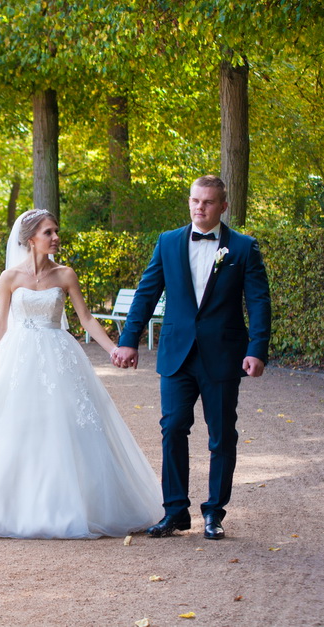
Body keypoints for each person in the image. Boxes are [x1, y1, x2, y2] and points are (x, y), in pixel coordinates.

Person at [0, 209, 164, 539]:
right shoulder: (10, 277)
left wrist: (112, 349)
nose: (56, 237)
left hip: (59, 355)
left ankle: (70, 505)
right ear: (30, 239)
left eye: (56, 231)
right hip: (18, 355)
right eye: (49, 232)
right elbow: (0, 323)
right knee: (12, 425)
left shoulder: (65, 274)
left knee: (68, 425)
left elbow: (86, 320)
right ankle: (5, 507)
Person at [112, 175, 271, 540]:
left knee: (221, 437)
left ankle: (214, 513)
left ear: (223, 207)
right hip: (177, 353)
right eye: (195, 201)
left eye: (208, 202)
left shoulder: (244, 248)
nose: (200, 208)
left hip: (224, 353)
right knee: (172, 428)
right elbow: (146, 292)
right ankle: (175, 512)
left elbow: (259, 302)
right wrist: (129, 340)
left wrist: (256, 349)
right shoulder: (168, 242)